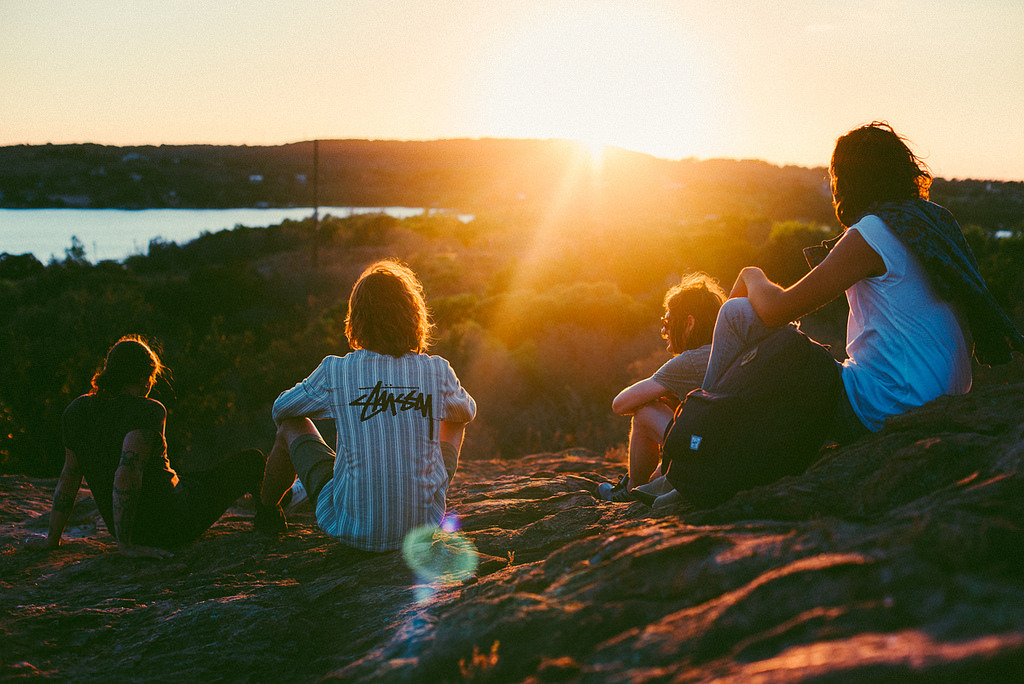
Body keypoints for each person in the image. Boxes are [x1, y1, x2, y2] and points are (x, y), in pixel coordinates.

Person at [637, 121, 1024, 507]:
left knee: (739, 313)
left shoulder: (874, 232)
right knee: (784, 357)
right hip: (949, 394)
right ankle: (683, 462)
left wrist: (750, 275)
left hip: (890, 404)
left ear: (848, 179)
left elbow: (777, 310)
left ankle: (691, 454)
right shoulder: (932, 222)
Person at [259, 259, 477, 552]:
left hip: (353, 529)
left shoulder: (337, 371)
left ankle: (267, 511)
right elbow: (467, 411)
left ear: (357, 318)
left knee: (291, 426)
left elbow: (281, 410)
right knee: (455, 416)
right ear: (413, 316)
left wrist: (345, 405)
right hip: (424, 526)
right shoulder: (437, 371)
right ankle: (420, 493)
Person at [30, 335, 270, 557]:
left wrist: (52, 538)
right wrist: (126, 547)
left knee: (193, 480)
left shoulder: (76, 411)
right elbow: (127, 474)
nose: (151, 384)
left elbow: (69, 477)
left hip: (126, 528)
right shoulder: (147, 410)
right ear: (142, 377)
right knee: (253, 461)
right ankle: (270, 519)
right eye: (151, 377)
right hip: (172, 524)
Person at [598, 273, 725, 502]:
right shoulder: (725, 348)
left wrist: (663, 392)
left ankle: (631, 491)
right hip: (726, 446)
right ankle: (648, 484)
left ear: (689, 324)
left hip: (708, 452)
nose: (664, 332)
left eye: (667, 323)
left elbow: (620, 403)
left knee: (646, 413)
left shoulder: (691, 360)